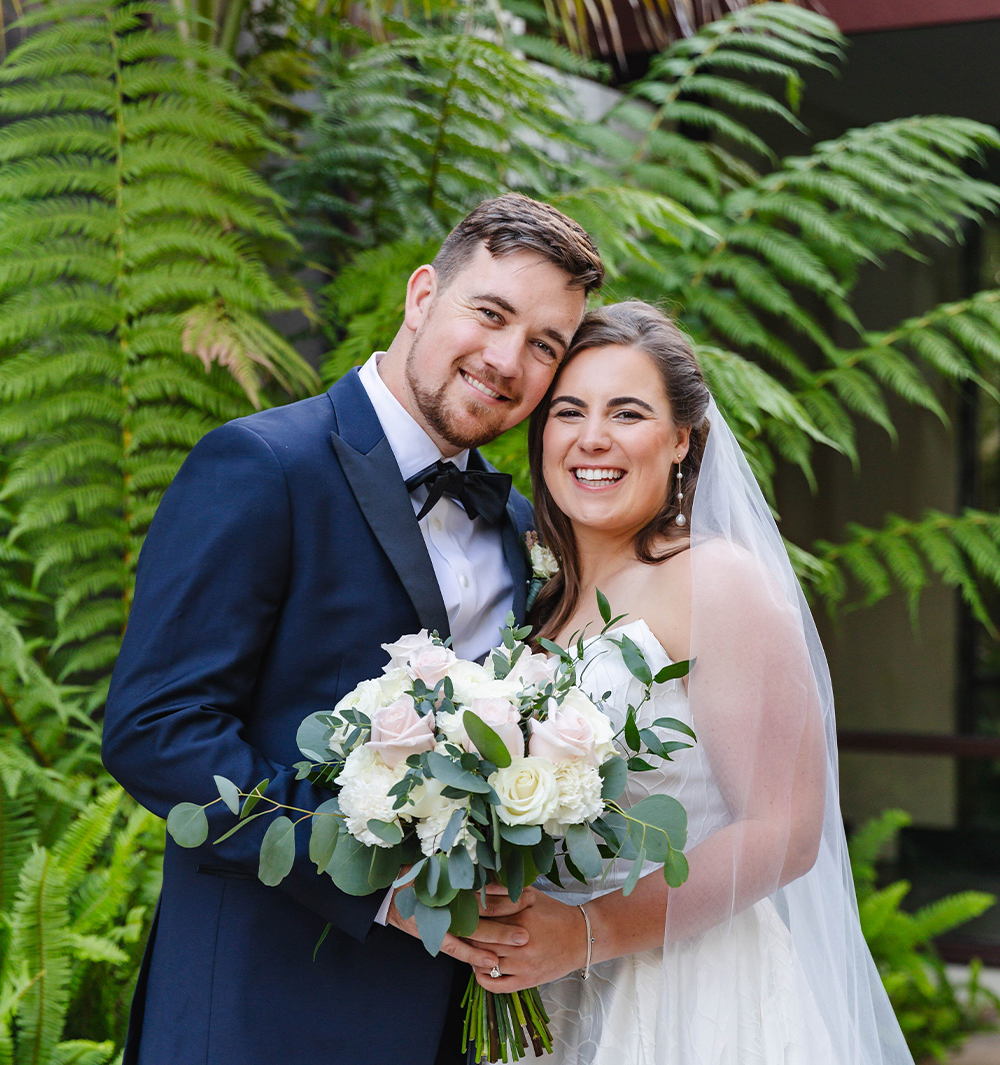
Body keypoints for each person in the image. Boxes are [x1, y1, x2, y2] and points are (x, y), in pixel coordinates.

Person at [101, 193, 605, 1065]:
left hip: (445, 1019)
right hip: (259, 1012)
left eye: (543, 345)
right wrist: (387, 887)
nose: (505, 360)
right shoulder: (263, 466)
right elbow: (157, 734)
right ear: (421, 297)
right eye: (490, 314)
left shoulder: (524, 525)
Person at [467, 302, 914, 1065]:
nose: (592, 438)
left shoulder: (717, 582)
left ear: (681, 439)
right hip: (550, 997)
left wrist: (589, 932)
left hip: (687, 993)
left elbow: (784, 833)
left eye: (628, 412)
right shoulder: (538, 598)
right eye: (568, 411)